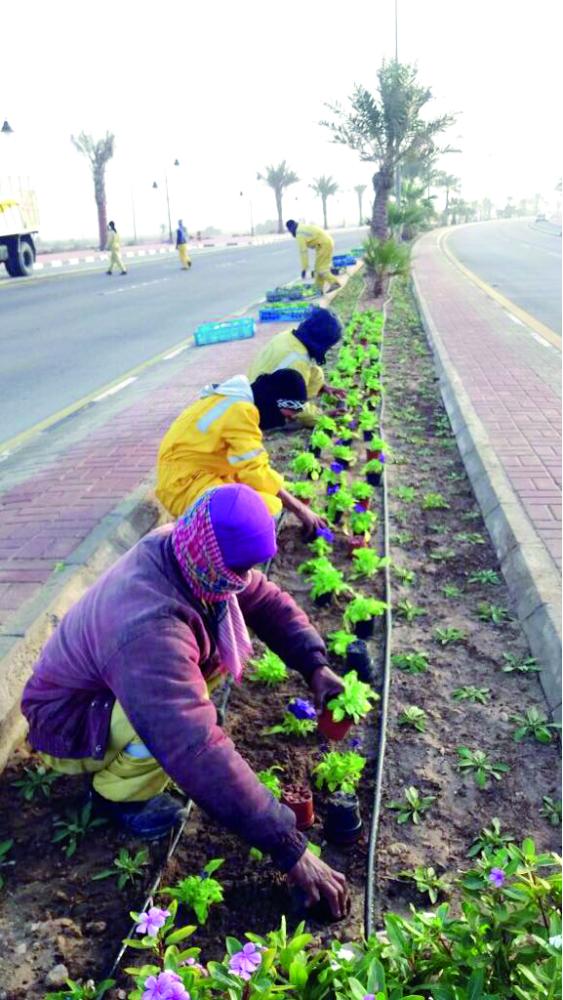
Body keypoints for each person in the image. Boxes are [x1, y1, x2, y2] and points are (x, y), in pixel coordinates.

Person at [21, 485, 349, 918]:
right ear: (215, 558)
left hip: (103, 695)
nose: (246, 577)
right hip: (68, 724)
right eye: (242, 568)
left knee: (184, 697)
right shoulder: (148, 626)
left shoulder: (188, 548)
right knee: (168, 727)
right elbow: (192, 745)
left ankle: (128, 765)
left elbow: (264, 599)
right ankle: (119, 797)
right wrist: (289, 847)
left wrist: (314, 664)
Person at [156, 369, 326, 535]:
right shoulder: (241, 411)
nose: (284, 422)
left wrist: (285, 491)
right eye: (285, 416)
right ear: (274, 402)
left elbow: (248, 464)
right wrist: (300, 509)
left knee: (266, 497)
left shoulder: (235, 399)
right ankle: (215, 547)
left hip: (195, 473)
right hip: (183, 485)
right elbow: (254, 471)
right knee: (267, 512)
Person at [248, 307, 343, 425]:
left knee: (316, 372)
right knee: (295, 413)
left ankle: (298, 401)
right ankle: (282, 417)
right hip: (258, 404)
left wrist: (323, 388)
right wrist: (322, 416)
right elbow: (299, 409)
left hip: (256, 385)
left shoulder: (288, 336)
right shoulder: (297, 361)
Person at [286, 219, 340, 294]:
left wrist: (304, 268)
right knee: (318, 268)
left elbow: (303, 252)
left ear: (291, 229)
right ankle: (318, 289)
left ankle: (334, 283)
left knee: (321, 268)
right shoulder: (301, 227)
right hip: (324, 243)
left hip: (323, 244)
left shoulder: (299, 234)